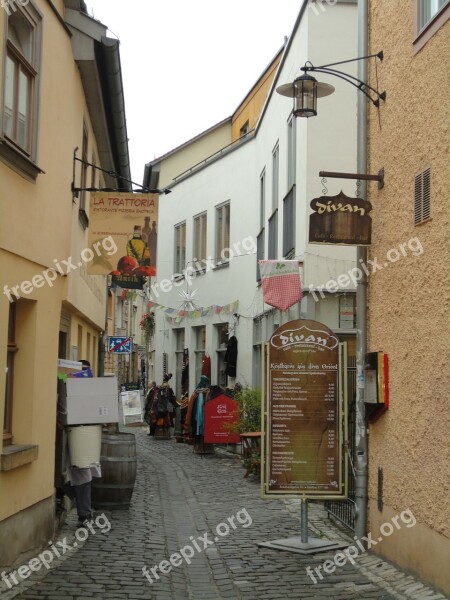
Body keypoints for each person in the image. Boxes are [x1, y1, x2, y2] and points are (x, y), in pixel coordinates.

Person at [64, 360, 101, 525]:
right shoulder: (67, 389)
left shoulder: (90, 393)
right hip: (74, 439)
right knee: (81, 477)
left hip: (86, 440)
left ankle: (83, 511)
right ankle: (84, 513)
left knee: (85, 477)